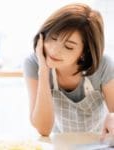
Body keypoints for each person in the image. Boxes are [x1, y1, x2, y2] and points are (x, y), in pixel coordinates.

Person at [23, 3, 114, 141]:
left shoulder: (103, 65)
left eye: (68, 47)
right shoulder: (33, 63)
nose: (54, 51)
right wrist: (43, 69)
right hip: (60, 143)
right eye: (53, 38)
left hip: (97, 142)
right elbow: (43, 129)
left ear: (84, 52)